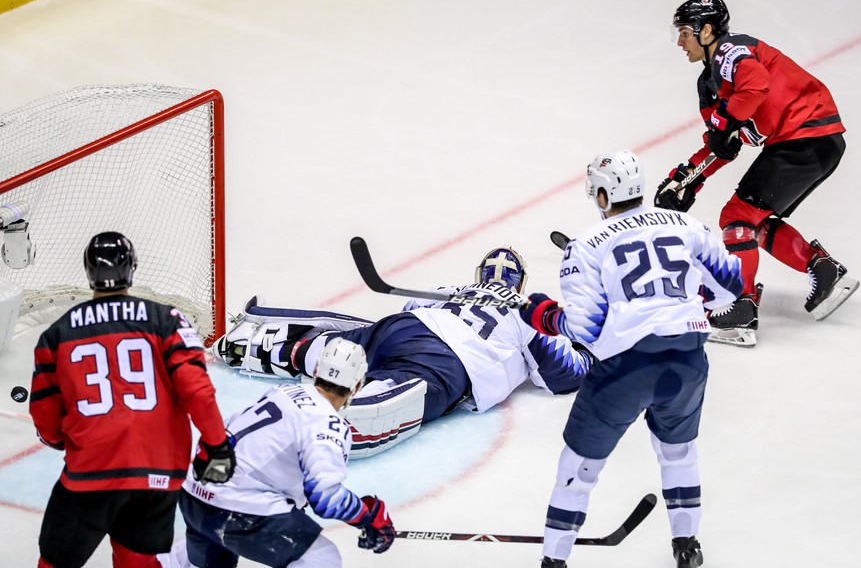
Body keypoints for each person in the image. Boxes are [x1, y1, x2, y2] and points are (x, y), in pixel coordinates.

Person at [519, 150, 743, 568]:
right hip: (688, 361)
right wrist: (685, 306)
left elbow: (587, 330)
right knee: (679, 453)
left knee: (578, 470)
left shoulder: (587, 245)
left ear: (603, 196)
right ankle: (687, 546)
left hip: (627, 370)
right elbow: (731, 287)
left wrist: (545, 316)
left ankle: (554, 561)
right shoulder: (687, 224)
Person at [212, 246, 592, 457]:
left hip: (402, 328)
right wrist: (586, 350)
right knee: (394, 390)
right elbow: (565, 375)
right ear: (520, 282)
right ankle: (330, 425)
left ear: (480, 274)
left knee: (354, 348)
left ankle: (273, 347)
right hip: (445, 360)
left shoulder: (448, 288)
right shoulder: (528, 311)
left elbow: (409, 310)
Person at [654, 0, 859, 346]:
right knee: (752, 221)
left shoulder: (731, 51)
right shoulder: (709, 85)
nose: (680, 41)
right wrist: (688, 178)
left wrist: (727, 122)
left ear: (706, 31)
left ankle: (741, 308)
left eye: (685, 32)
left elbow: (755, 85)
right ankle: (823, 270)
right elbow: (724, 144)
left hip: (805, 137)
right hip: (809, 141)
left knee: (737, 217)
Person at [29, 231, 235, 568]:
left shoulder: (57, 334)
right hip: (156, 474)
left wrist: (56, 439)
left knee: (54, 562)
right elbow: (197, 391)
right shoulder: (165, 319)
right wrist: (217, 446)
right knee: (138, 560)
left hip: (90, 472)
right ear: (133, 267)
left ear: (87, 270)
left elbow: (45, 413)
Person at [161, 337, 395, 568]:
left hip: (195, 494)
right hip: (237, 508)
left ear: (315, 371)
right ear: (356, 386)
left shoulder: (283, 392)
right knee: (322, 559)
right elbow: (325, 498)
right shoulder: (328, 423)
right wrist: (369, 515)